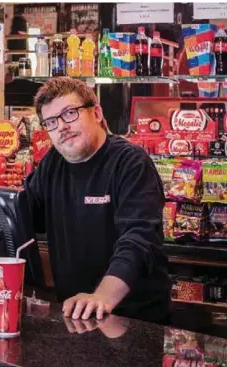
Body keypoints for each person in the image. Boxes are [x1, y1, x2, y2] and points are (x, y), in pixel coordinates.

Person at [25, 77, 171, 323]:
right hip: (76, 317)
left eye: (69, 113)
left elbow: (139, 239)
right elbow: (23, 214)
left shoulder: (130, 162)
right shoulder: (53, 163)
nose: (61, 126)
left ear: (96, 113)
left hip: (135, 322)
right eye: (51, 122)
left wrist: (102, 296)